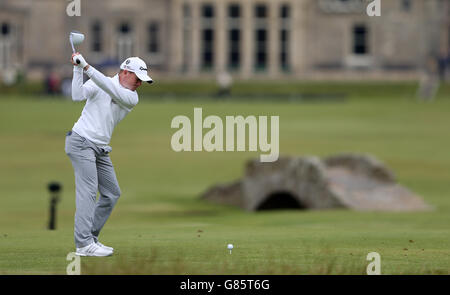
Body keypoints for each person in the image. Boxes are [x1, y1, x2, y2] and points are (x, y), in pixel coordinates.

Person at [65, 53, 153, 256]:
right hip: (81, 142)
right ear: (124, 72)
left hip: (100, 148)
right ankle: (83, 244)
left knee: (112, 193)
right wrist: (78, 69)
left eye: (142, 80)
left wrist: (86, 66)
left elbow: (108, 87)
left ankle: (91, 238)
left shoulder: (131, 97)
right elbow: (77, 95)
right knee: (88, 192)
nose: (140, 83)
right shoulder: (102, 81)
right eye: (138, 78)